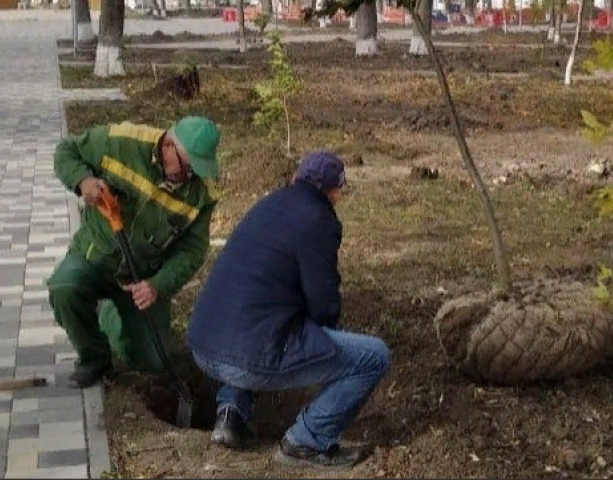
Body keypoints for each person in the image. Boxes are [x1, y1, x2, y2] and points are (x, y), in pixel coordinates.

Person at [186, 150, 390, 469]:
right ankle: (305, 442)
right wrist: (321, 340)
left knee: (257, 314)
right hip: (244, 360)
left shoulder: (269, 205)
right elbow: (322, 299)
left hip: (202, 344)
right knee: (373, 356)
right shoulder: (319, 221)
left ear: (296, 178)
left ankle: (231, 414)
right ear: (335, 192)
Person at [48, 116, 221, 389]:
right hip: (95, 256)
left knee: (153, 363)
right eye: (187, 166)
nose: (191, 175)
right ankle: (94, 359)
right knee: (64, 287)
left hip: (144, 277)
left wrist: (157, 285)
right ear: (168, 146)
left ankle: (113, 317)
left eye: (197, 169)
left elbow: (193, 250)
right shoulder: (122, 142)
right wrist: (83, 180)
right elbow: (66, 150)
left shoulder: (202, 195)